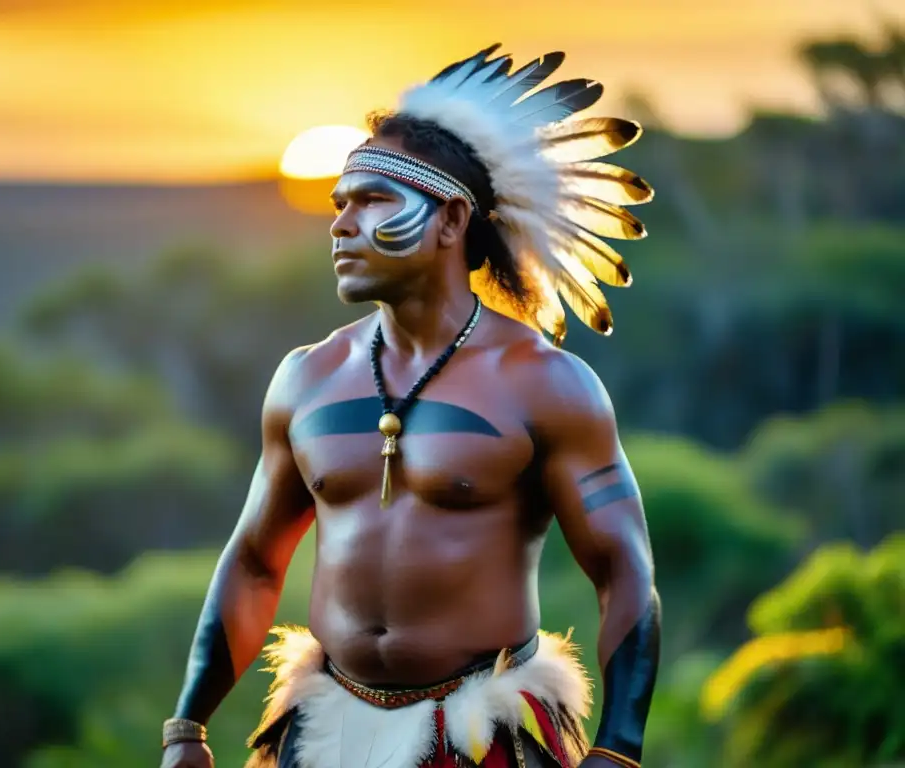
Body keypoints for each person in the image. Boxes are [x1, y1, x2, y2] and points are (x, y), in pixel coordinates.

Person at [161, 43, 660, 768]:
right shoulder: (307, 379)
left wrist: (618, 747)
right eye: (340, 205)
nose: (340, 225)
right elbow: (256, 563)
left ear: (452, 220)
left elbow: (623, 568)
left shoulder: (547, 384)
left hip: (484, 735)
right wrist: (187, 727)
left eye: (372, 203)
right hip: (325, 733)